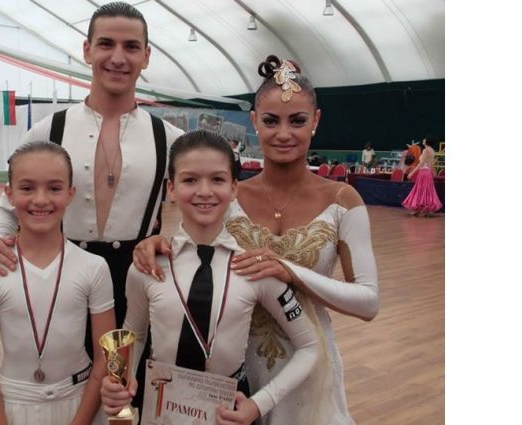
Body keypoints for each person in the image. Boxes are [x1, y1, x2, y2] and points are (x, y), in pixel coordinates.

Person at [133, 55, 379, 424]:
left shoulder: (343, 200)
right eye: (271, 120)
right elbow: (198, 248)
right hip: (234, 369)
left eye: (297, 120)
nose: (284, 133)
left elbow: (369, 302)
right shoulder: (230, 195)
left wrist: (289, 271)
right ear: (254, 121)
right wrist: (156, 244)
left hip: (308, 363)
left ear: (316, 120)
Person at [0, 1, 183, 331]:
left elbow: (216, 208)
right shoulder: (48, 130)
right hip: (58, 280)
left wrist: (173, 242)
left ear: (146, 56)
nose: (117, 58)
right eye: (106, 44)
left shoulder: (170, 139)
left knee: (131, 364)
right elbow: (6, 207)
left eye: (131, 46)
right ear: (87, 50)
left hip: (139, 285)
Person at [100, 130, 320, 425]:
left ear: (234, 187)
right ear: (171, 188)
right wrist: (119, 380)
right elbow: (134, 334)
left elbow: (310, 346)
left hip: (228, 416)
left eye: (217, 179)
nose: (204, 191)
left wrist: (258, 404)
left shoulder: (254, 269)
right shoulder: (147, 266)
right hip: (159, 411)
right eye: (190, 180)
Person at [0, 141, 116, 424]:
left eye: (54, 188)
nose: (40, 199)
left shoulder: (94, 267)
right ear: (9, 194)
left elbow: (104, 360)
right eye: (27, 188)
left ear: (71, 193)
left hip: (81, 404)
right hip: (13, 406)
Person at [402, 135, 443, 216]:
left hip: (423, 173)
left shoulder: (425, 150)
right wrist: (433, 171)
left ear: (427, 141)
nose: (423, 140)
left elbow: (421, 164)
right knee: (426, 191)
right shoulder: (432, 150)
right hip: (428, 173)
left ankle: (420, 209)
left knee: (421, 190)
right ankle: (421, 209)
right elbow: (431, 164)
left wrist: (412, 173)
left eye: (424, 139)